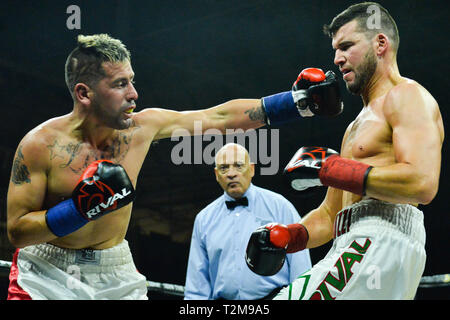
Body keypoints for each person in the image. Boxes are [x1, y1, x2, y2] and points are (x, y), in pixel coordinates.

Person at [6, 34, 341, 299]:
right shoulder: (40, 145)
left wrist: (296, 103)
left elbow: (218, 118)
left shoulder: (142, 128)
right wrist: (78, 209)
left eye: (131, 80)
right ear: (84, 93)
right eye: (120, 84)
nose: (134, 94)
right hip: (47, 274)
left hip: (114, 271)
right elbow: (18, 230)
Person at [245, 2, 444, 300]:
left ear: (380, 44)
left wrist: (331, 168)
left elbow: (422, 183)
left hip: (378, 240)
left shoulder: (407, 96)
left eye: (347, 46)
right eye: (335, 49)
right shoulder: (355, 126)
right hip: (357, 241)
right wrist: (289, 236)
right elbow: (330, 214)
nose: (337, 59)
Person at [184, 143, 311, 300]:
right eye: (224, 168)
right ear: (216, 174)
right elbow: (197, 284)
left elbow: (301, 267)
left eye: (238, 166)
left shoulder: (280, 207)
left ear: (251, 169)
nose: (231, 173)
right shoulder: (204, 219)